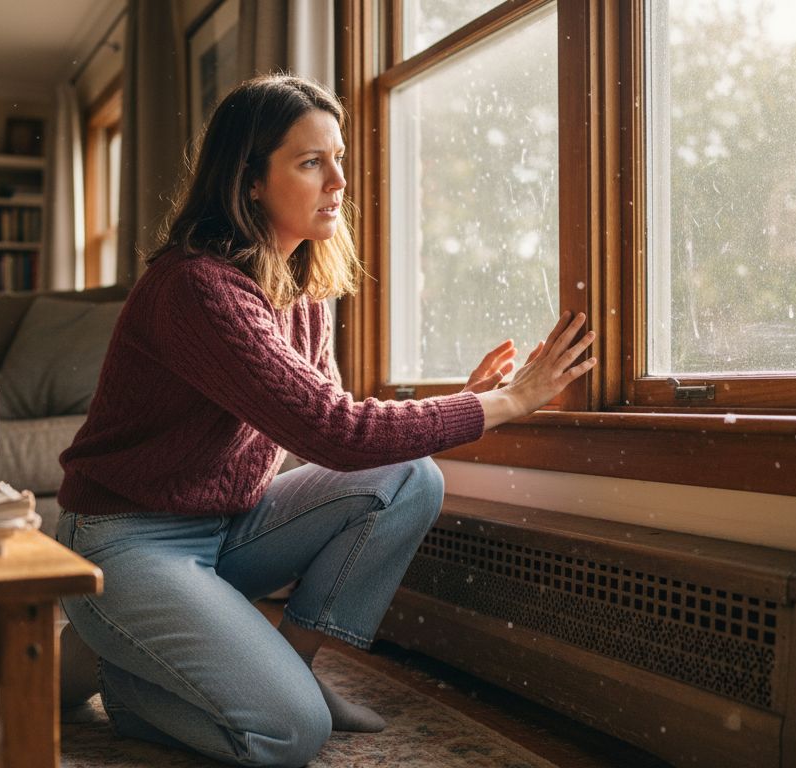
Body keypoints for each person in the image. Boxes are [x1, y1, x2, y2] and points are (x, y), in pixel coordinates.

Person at [55, 73, 597, 767]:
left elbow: (334, 425)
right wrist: (507, 402)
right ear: (249, 180)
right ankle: (123, 680)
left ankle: (288, 664)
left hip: (225, 528)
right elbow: (333, 433)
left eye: (338, 158)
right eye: (312, 162)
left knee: (408, 478)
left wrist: (458, 399)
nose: (339, 179)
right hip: (127, 539)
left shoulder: (299, 284)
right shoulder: (196, 288)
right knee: (288, 734)